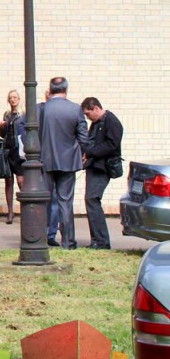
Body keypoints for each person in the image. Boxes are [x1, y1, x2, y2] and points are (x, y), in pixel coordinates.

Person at [41, 77, 89, 249]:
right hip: (68, 161)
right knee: (65, 202)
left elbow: (28, 134)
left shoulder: (41, 109)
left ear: (50, 89)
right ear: (66, 90)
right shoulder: (75, 109)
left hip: (45, 160)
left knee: (44, 200)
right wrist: (83, 153)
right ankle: (68, 241)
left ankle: (41, 238)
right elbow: (83, 137)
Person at [81, 96, 123, 250]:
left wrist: (90, 153)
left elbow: (112, 144)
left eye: (88, 114)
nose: (88, 118)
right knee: (90, 200)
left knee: (92, 199)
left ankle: (102, 241)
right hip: (94, 166)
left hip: (102, 168)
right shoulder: (97, 123)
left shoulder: (111, 121)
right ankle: (97, 240)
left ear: (96, 108)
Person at [0, 89, 26, 224]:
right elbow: (3, 134)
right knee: (8, 181)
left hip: (19, 152)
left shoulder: (23, 114)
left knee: (21, 181)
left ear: (19, 99)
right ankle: (10, 212)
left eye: (15, 97)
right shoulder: (7, 114)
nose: (13, 100)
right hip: (8, 150)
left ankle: (25, 210)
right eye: (11, 98)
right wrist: (2, 126)